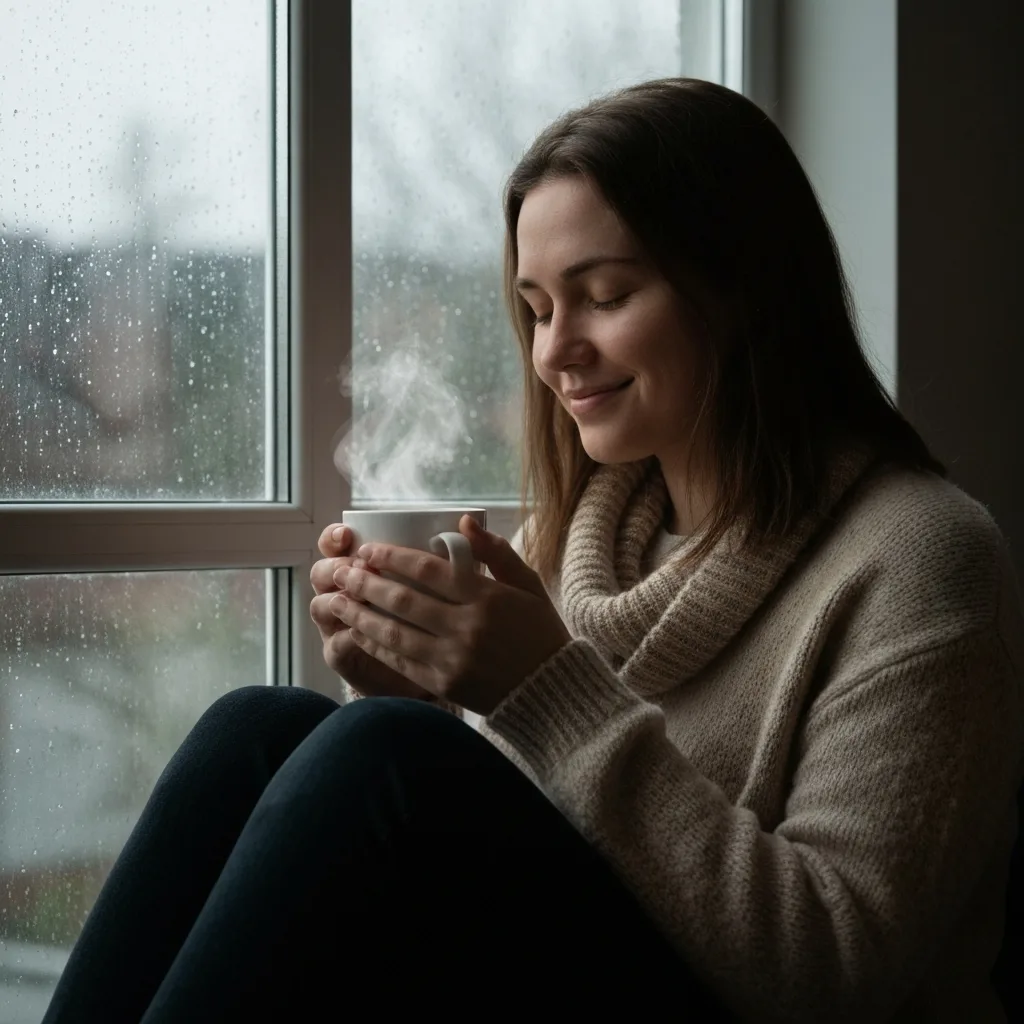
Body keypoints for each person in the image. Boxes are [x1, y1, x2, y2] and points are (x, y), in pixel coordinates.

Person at [44, 78, 1023, 1023]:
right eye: (538, 307)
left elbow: (831, 971)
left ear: (744, 289)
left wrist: (540, 689)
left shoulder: (918, 557)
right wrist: (410, 692)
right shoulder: (572, 542)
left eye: (601, 294)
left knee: (386, 755)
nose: (553, 351)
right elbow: (520, 855)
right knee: (259, 723)